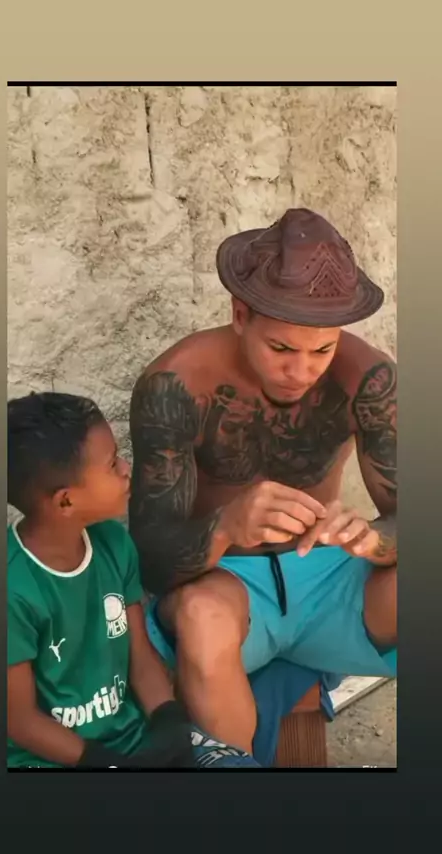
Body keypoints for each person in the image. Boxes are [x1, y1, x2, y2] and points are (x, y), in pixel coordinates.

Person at [128, 208, 397, 756]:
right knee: (202, 616)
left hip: (332, 581)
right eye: (281, 349)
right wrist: (226, 526)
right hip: (225, 584)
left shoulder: (367, 377)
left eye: (321, 350)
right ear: (240, 314)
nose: (302, 371)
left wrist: (375, 540)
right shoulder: (176, 384)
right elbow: (151, 561)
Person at [7, 392, 261, 768]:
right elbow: (20, 721)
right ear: (65, 502)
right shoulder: (11, 589)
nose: (127, 468)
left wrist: (169, 720)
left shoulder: (112, 542)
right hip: (57, 760)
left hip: (133, 739)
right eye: (112, 464)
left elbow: (139, 655)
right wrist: (104, 764)